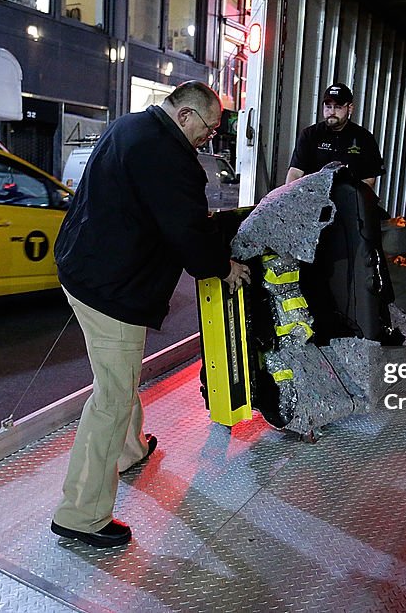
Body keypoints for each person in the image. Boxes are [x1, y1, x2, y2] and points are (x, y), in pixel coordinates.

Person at [51, 81, 251, 548]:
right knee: (113, 396)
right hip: (110, 288)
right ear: (184, 116)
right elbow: (186, 228)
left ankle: (129, 451)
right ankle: (80, 514)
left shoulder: (130, 126)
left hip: (83, 270)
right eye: (209, 127)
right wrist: (222, 267)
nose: (211, 137)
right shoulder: (165, 153)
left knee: (119, 375)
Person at [285, 83, 383, 188]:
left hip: (347, 200)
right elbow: (295, 172)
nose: (331, 112)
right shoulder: (309, 135)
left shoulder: (365, 139)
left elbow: (369, 180)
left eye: (338, 107)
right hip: (312, 199)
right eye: (328, 107)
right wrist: (289, 196)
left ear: (350, 108)